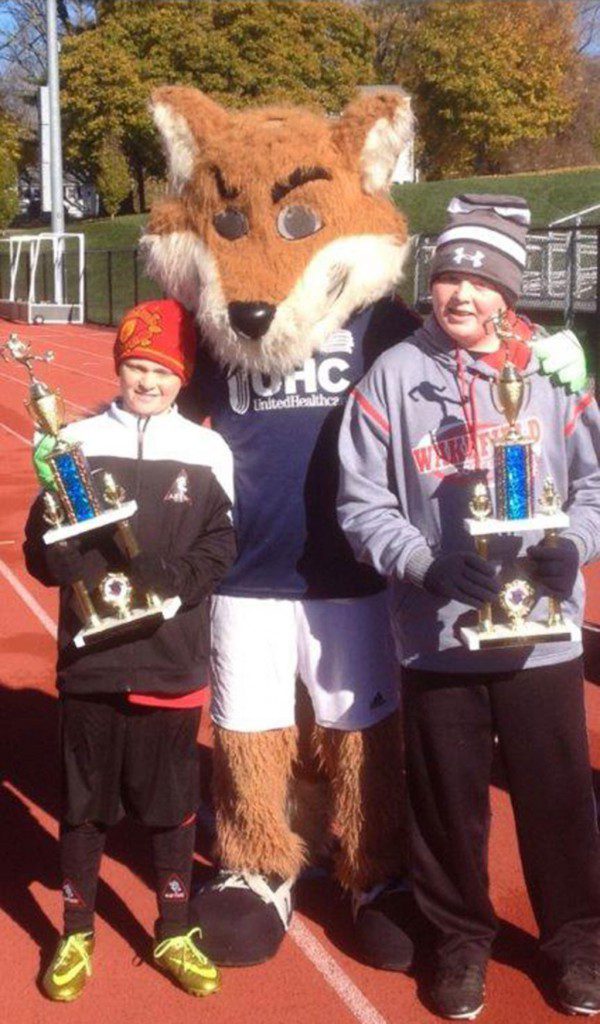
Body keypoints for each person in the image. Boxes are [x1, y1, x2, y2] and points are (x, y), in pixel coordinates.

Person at [337, 194, 600, 1019]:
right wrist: (425, 564)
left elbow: (594, 482)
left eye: (481, 282)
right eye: (448, 275)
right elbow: (360, 503)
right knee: (446, 805)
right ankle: (459, 943)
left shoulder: (552, 373)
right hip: (438, 637)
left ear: (507, 294)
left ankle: (579, 943)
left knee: (558, 799)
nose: (462, 294)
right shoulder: (392, 378)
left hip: (543, 639)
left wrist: (577, 544)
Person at [23, 299, 236, 1002]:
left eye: (161, 370)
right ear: (118, 367)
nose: (146, 380)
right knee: (83, 804)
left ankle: (173, 927)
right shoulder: (73, 443)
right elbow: (38, 554)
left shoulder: (208, 451)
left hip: (172, 657)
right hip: (92, 660)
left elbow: (220, 548)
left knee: (172, 801)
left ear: (182, 377)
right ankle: (76, 930)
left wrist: (170, 580)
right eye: (136, 366)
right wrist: (60, 545)